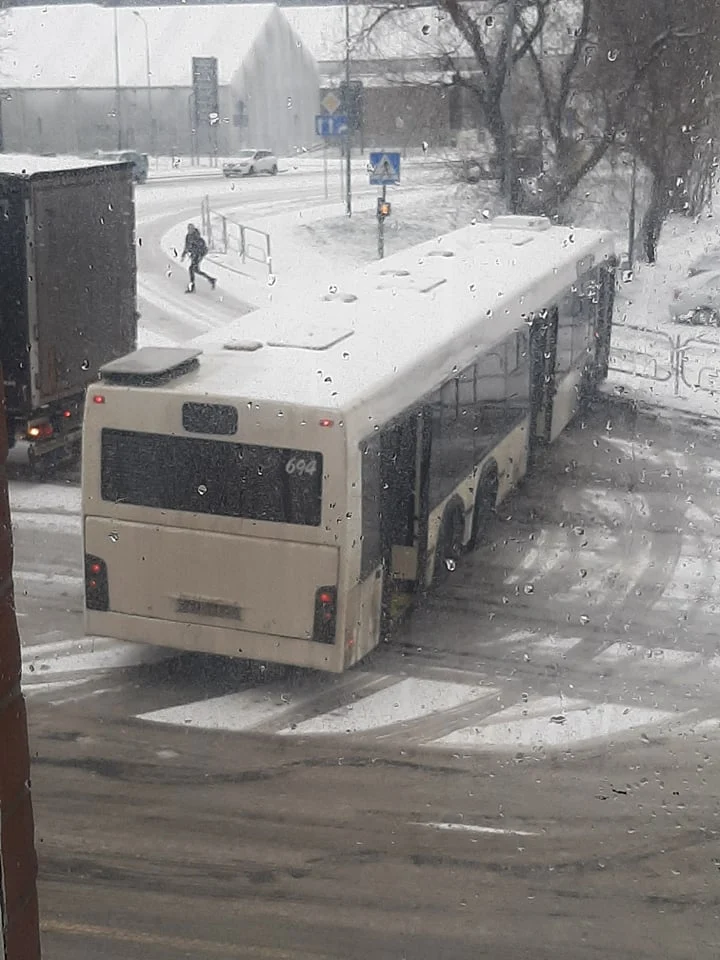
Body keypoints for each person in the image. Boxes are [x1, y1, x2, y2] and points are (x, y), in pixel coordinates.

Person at [180, 223, 216, 293]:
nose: (189, 230)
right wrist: (184, 254)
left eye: (191, 229)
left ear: (193, 229)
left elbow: (202, 247)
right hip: (194, 254)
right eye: (188, 229)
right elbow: (187, 246)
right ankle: (211, 279)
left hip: (198, 254)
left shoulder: (197, 237)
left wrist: (198, 254)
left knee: (191, 269)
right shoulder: (188, 236)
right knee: (195, 270)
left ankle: (192, 287)